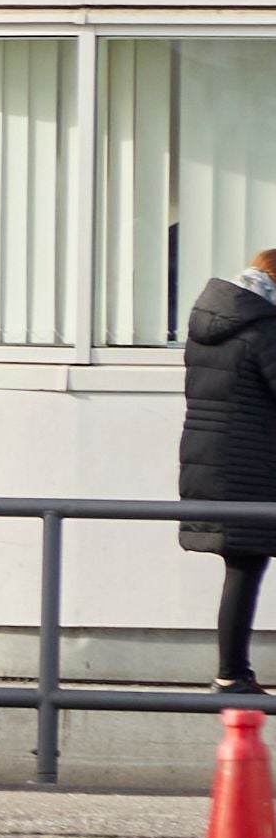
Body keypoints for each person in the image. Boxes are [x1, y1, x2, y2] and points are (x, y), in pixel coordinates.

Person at [183, 241, 276, 695]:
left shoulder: (209, 325)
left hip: (214, 462)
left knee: (242, 565)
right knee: (245, 564)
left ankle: (233, 672)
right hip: (248, 464)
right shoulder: (263, 330)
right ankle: (232, 673)